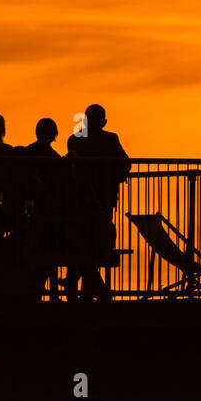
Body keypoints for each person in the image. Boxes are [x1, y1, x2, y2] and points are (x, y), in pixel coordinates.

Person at [64, 104, 131, 301]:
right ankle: (90, 289)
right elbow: (125, 163)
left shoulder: (75, 139)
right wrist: (114, 177)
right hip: (102, 199)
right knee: (96, 242)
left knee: (81, 241)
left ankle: (80, 286)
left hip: (78, 201)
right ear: (103, 121)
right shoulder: (110, 139)